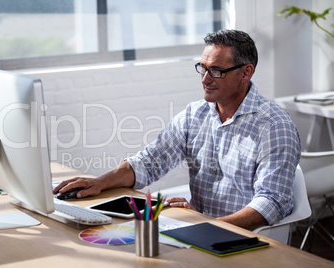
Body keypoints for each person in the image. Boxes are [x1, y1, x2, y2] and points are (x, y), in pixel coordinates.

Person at [53, 29, 301, 230]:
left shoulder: (273, 126)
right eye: (202, 68)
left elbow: (270, 203)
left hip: (241, 237)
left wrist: (208, 225)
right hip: (199, 226)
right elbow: (149, 162)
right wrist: (98, 182)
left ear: (245, 72)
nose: (204, 79)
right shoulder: (196, 114)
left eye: (215, 70)